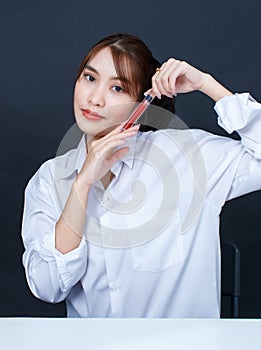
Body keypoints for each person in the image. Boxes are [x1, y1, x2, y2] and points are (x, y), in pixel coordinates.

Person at [21, 33, 261, 318]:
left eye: (118, 88)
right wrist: (82, 184)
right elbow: (47, 287)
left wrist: (206, 84)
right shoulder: (50, 179)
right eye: (89, 78)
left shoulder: (186, 157)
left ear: (140, 103)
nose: (95, 98)